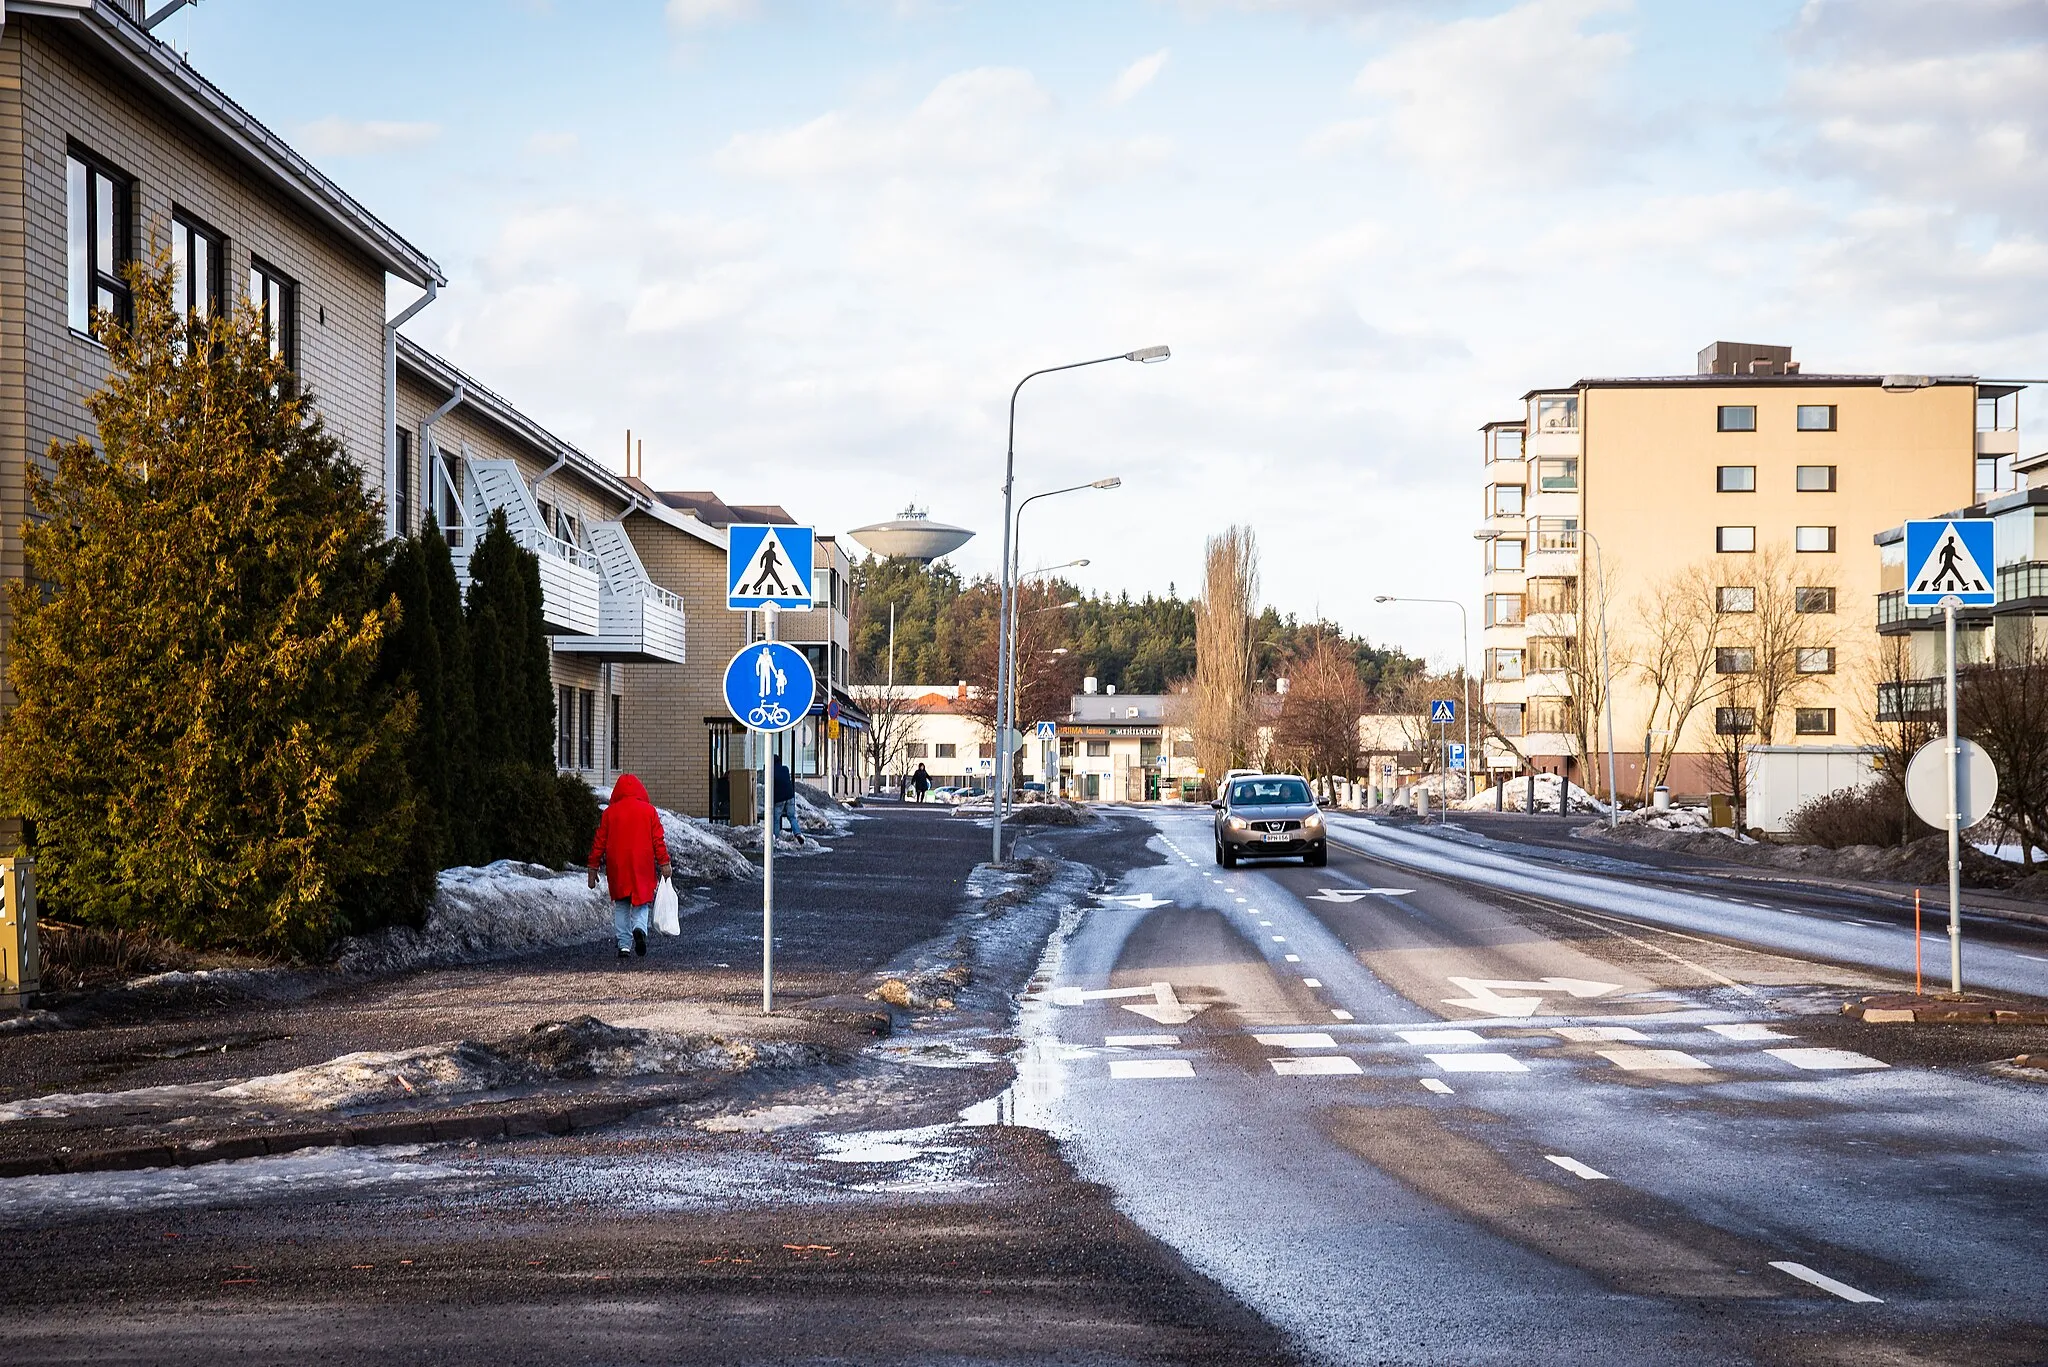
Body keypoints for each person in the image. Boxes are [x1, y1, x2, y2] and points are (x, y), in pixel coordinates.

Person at [588, 774, 671, 960]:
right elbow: (658, 840)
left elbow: (599, 842)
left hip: (617, 864)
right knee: (641, 902)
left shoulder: (609, 813)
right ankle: (639, 929)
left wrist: (593, 867)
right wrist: (664, 862)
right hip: (642, 863)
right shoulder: (649, 811)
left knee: (622, 904)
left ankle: (624, 945)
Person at [773, 754, 802, 841]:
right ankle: (798, 833)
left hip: (779, 799)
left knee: (776, 819)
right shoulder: (785, 769)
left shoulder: (771, 771)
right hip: (790, 796)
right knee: (792, 817)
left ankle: (776, 839)